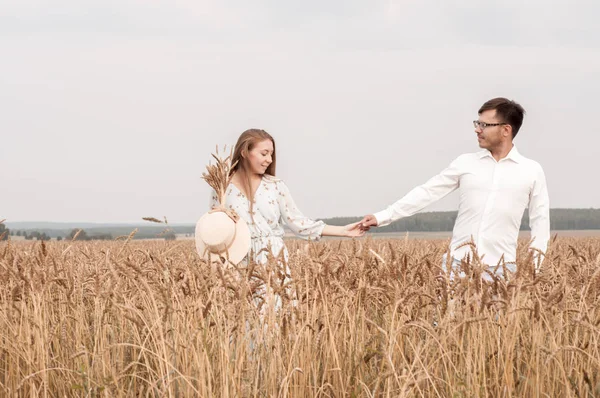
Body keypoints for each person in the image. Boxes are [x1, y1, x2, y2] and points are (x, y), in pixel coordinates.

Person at [358, 98, 550, 280]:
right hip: (456, 264)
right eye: (477, 123)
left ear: (506, 130)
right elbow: (427, 192)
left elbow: (540, 221)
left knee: (500, 317)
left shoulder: (531, 171)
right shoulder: (465, 163)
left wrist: (535, 269)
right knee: (446, 316)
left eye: (484, 125)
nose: (477, 130)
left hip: (502, 269)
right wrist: (383, 216)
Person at [209, 128, 364, 265]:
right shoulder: (222, 187)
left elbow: (299, 223)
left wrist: (344, 231)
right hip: (237, 262)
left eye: (271, 154)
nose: (269, 160)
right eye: (264, 154)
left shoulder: (276, 186)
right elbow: (216, 229)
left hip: (273, 262)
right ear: (244, 153)